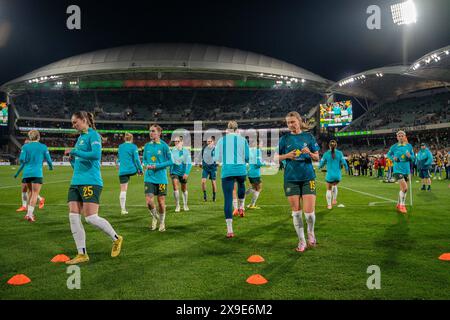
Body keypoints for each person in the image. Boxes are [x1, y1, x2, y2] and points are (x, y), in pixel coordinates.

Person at [64, 111, 123, 265]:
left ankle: (116, 238)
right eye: (72, 123)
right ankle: (81, 253)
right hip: (76, 181)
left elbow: (96, 155)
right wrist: (72, 159)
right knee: (73, 217)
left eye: (75, 122)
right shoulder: (80, 138)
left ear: (84, 120)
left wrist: (75, 151)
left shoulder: (93, 135)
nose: (74, 125)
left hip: (91, 181)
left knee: (90, 218)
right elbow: (79, 161)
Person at [276, 111, 320, 252]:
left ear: (299, 121)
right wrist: (287, 155)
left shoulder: (309, 137)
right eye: (288, 123)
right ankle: (301, 241)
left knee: (309, 215)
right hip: (291, 179)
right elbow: (275, 158)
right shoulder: (284, 139)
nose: (290, 125)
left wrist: (309, 153)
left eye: (293, 122)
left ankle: (311, 233)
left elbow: (317, 158)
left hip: (308, 178)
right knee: (296, 213)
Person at [214, 120, 249, 238]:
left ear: (227, 129)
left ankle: (230, 230)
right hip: (241, 170)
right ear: (237, 129)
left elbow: (216, 157)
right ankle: (241, 207)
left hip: (227, 171)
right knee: (241, 185)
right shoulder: (243, 140)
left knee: (228, 199)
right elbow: (248, 157)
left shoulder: (221, 140)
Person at [15, 130, 53, 222]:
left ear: (30, 137)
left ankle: (28, 213)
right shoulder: (43, 147)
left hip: (27, 173)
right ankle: (30, 214)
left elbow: (21, 159)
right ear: (38, 137)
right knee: (34, 194)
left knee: (30, 192)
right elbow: (48, 160)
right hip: (37, 173)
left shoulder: (25, 146)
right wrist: (50, 167)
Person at [143, 124, 173, 231]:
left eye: (153, 131)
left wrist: (156, 166)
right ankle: (155, 217)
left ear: (159, 133)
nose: (151, 133)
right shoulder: (147, 146)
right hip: (149, 177)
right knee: (149, 201)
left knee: (161, 202)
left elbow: (170, 161)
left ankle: (162, 222)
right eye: (150, 131)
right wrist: (146, 164)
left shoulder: (164, 146)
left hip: (161, 178)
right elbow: (144, 160)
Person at [386, 131, 415, 214]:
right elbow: (388, 155)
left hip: (406, 170)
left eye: (402, 135)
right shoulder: (394, 147)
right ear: (397, 137)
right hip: (397, 170)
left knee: (403, 189)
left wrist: (410, 156)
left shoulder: (409, 146)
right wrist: (393, 158)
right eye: (399, 136)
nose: (401, 137)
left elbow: (413, 158)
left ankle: (399, 204)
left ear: (405, 137)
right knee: (405, 188)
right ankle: (402, 205)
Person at [15, 138, 46, 212]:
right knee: (24, 189)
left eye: (27, 143)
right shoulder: (26, 151)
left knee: (31, 191)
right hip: (27, 174)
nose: (25, 144)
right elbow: (23, 164)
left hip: (33, 173)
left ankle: (26, 207)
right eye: (24, 143)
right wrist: (17, 173)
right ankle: (37, 200)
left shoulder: (32, 153)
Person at [117, 133, 143, 215]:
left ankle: (122, 209)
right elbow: (136, 159)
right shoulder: (133, 147)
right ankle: (139, 173)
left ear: (125, 139)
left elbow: (119, 159)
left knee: (123, 190)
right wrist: (140, 170)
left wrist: (118, 165)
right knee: (139, 170)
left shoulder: (120, 147)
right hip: (132, 170)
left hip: (123, 171)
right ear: (131, 139)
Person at [318, 140, 348, 209]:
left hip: (330, 175)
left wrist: (319, 167)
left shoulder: (326, 154)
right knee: (335, 185)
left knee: (328, 189)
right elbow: (344, 162)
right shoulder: (340, 153)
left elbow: (322, 163)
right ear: (336, 146)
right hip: (337, 175)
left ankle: (329, 205)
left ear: (329, 146)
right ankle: (334, 199)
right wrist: (346, 168)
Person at [170, 136, 192, 212]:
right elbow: (171, 162)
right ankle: (177, 205)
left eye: (178, 141)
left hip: (183, 173)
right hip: (174, 172)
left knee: (184, 189)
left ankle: (185, 204)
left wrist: (186, 173)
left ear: (182, 142)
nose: (176, 143)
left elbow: (189, 164)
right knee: (175, 188)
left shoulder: (186, 151)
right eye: (175, 141)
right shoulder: (172, 150)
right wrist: (170, 171)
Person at [246, 139, 265, 209]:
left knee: (253, 188)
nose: (262, 145)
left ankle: (242, 198)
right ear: (257, 144)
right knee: (259, 188)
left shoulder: (250, 150)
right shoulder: (258, 151)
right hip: (255, 173)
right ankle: (251, 204)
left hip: (250, 172)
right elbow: (258, 163)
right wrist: (263, 163)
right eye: (261, 144)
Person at [201, 137, 217, 202]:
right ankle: (205, 196)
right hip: (205, 168)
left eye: (210, 141)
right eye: (208, 141)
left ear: (213, 142)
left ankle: (214, 196)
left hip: (213, 168)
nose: (209, 142)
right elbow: (202, 157)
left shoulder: (216, 149)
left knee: (213, 183)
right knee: (203, 182)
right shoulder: (204, 148)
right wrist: (201, 163)